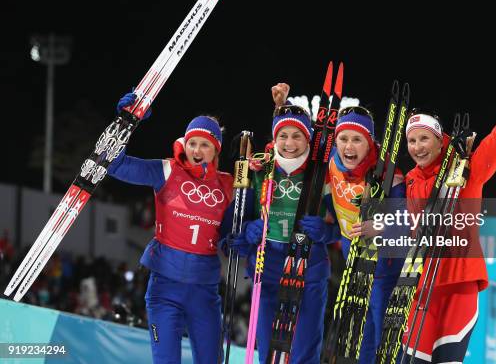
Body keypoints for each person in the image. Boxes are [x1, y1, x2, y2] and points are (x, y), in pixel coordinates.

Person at [400, 74, 496, 363]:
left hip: (459, 284)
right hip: (421, 285)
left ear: (440, 141)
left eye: (424, 138)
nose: (417, 146)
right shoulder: (410, 181)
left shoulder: (466, 172)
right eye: (411, 140)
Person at [108, 92, 234, 364]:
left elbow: (229, 234)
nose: (197, 151)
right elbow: (115, 165)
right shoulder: (166, 170)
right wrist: (127, 122)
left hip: (204, 292)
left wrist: (239, 239)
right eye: (192, 144)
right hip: (164, 290)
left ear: (216, 150)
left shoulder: (229, 185)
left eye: (205, 145)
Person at [231, 87, 340, 363]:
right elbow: (240, 216)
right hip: (267, 264)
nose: (289, 143)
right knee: (268, 345)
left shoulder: (322, 173)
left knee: (304, 346)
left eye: (297, 136)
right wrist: (248, 232)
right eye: (282, 136)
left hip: (309, 264)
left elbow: (343, 222)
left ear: (308, 138)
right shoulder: (259, 169)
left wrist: (326, 232)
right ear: (274, 138)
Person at [324, 105, 406, 363]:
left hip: (385, 264)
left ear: (369, 143)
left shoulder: (389, 175)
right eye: (343, 139)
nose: (349, 146)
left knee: (385, 332)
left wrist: (379, 225)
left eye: (357, 139)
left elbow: (405, 221)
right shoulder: (333, 164)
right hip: (354, 257)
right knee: (362, 332)